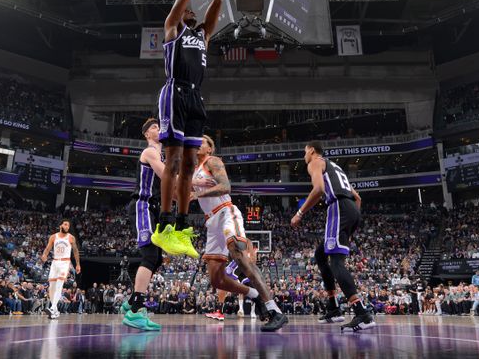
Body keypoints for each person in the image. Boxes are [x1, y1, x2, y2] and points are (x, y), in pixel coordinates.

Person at [150, 0, 225, 258]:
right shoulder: (172, 28)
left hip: (196, 96)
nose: (191, 10)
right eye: (187, 10)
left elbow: (218, 3)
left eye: (193, 11)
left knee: (192, 163)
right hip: (174, 91)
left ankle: (180, 227)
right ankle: (164, 223)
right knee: (175, 159)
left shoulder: (203, 35)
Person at [191, 135, 288, 332]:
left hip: (227, 212)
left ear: (210, 148)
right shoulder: (193, 170)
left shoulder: (213, 161)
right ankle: (254, 295)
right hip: (211, 221)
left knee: (240, 257)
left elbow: (226, 186)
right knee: (216, 279)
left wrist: (197, 194)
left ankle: (275, 310)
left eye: (202, 141)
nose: (197, 144)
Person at [292, 141, 375, 332]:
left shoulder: (315, 162)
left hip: (338, 208)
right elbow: (358, 198)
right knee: (321, 255)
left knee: (337, 263)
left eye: (305, 152)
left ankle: (362, 313)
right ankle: (334, 307)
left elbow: (319, 190)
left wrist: (300, 213)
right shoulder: (335, 167)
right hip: (352, 210)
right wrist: (352, 224)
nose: (304, 156)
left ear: (312, 151)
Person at [121, 118, 167, 331]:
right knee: (149, 255)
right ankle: (136, 310)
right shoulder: (150, 152)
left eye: (159, 126)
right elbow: (166, 175)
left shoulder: (161, 153)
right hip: (143, 205)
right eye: (154, 127)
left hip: (154, 207)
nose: (159, 129)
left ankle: (130, 303)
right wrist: (191, 182)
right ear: (147, 134)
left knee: (156, 258)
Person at [40, 220, 81, 320]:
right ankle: (56, 311)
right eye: (66, 224)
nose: (67, 227)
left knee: (59, 284)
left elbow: (75, 251)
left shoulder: (71, 237)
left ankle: (53, 308)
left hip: (65, 262)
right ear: (61, 225)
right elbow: (48, 248)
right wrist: (44, 255)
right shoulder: (54, 237)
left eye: (68, 225)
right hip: (55, 262)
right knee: (52, 287)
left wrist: (78, 264)